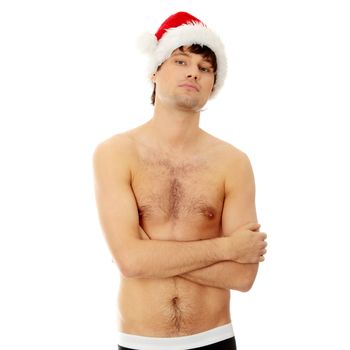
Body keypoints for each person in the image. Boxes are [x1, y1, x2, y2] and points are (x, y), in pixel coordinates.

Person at [93, 11, 268, 350]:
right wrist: (228, 248)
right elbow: (130, 262)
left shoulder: (233, 163)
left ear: (212, 86)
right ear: (155, 71)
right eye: (181, 60)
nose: (193, 72)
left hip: (215, 338)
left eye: (205, 68)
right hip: (140, 342)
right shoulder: (115, 153)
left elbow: (242, 276)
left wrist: (150, 255)